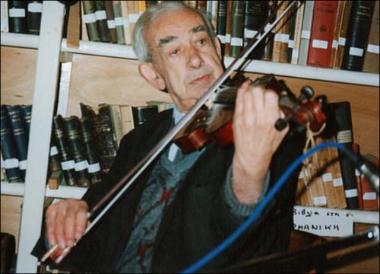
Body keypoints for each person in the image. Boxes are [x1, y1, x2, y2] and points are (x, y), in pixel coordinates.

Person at [32, 2, 305, 273]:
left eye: (201, 41)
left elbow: (250, 240)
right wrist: (66, 218)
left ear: (218, 50)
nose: (196, 59)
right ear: (154, 75)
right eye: (174, 51)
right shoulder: (139, 139)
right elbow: (102, 234)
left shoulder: (267, 126)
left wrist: (249, 173)